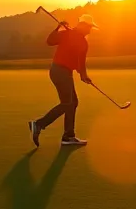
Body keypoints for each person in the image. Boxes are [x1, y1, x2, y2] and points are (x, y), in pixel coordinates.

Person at [29, 14, 98, 147]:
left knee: (72, 103)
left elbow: (79, 63)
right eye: (89, 27)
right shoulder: (68, 34)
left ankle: (68, 136)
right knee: (67, 103)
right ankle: (38, 124)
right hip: (60, 72)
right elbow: (50, 41)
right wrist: (58, 27)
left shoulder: (74, 37)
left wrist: (84, 75)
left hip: (61, 72)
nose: (90, 30)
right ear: (83, 26)